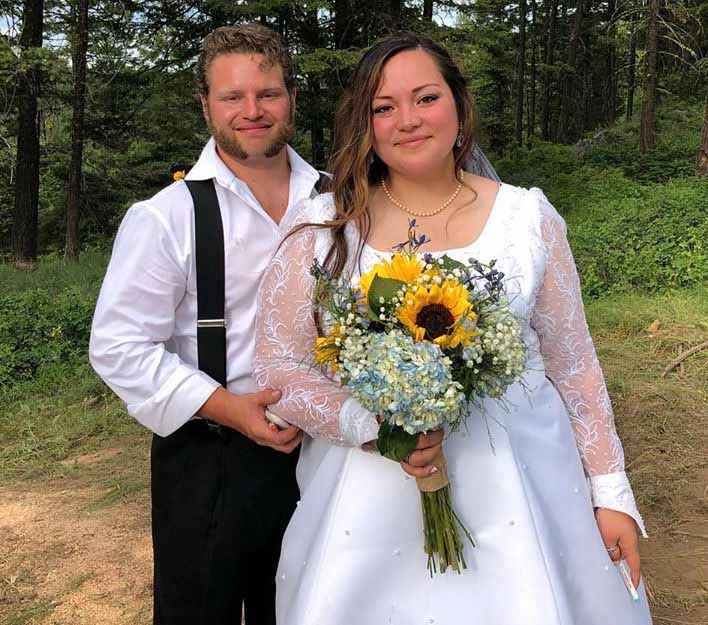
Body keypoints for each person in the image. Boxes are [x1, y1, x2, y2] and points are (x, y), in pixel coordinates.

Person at [253, 33, 653, 625]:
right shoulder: (323, 230)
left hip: (524, 485)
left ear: (460, 106)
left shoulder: (528, 220)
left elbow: (574, 365)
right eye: (383, 108)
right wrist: (374, 425)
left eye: (425, 98)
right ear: (364, 124)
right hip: (369, 500)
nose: (407, 121)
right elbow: (278, 368)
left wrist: (611, 493)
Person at [89, 24, 315, 625]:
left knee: (304, 607)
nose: (252, 111)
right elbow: (117, 346)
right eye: (231, 96)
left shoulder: (334, 202)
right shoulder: (165, 217)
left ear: (290, 95)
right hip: (211, 455)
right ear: (206, 105)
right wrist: (229, 408)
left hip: (324, 452)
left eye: (267, 93)